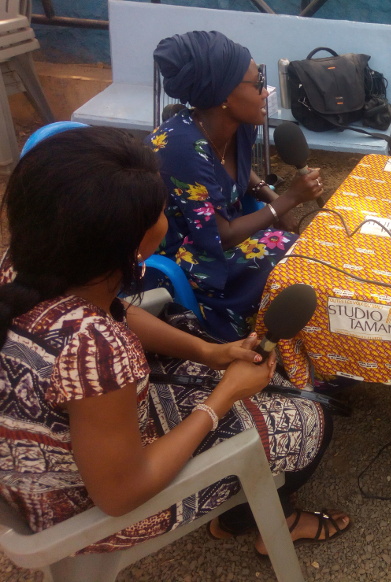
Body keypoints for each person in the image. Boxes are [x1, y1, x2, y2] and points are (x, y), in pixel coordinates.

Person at [0, 126, 349, 557]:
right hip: (87, 511)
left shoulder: (27, 264)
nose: (168, 221)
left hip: (55, 459)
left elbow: (120, 312)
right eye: (162, 212)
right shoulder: (94, 350)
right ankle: (256, 521)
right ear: (132, 247)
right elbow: (121, 494)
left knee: (220, 359)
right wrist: (223, 396)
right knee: (312, 418)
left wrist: (210, 351)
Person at [147, 31, 324, 341]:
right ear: (226, 97)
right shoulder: (182, 148)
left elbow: (239, 174)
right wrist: (289, 200)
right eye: (257, 84)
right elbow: (220, 237)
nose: (265, 92)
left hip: (224, 231)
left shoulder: (239, 127)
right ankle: (270, 343)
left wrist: (269, 194)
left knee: (310, 252)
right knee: (295, 261)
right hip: (187, 253)